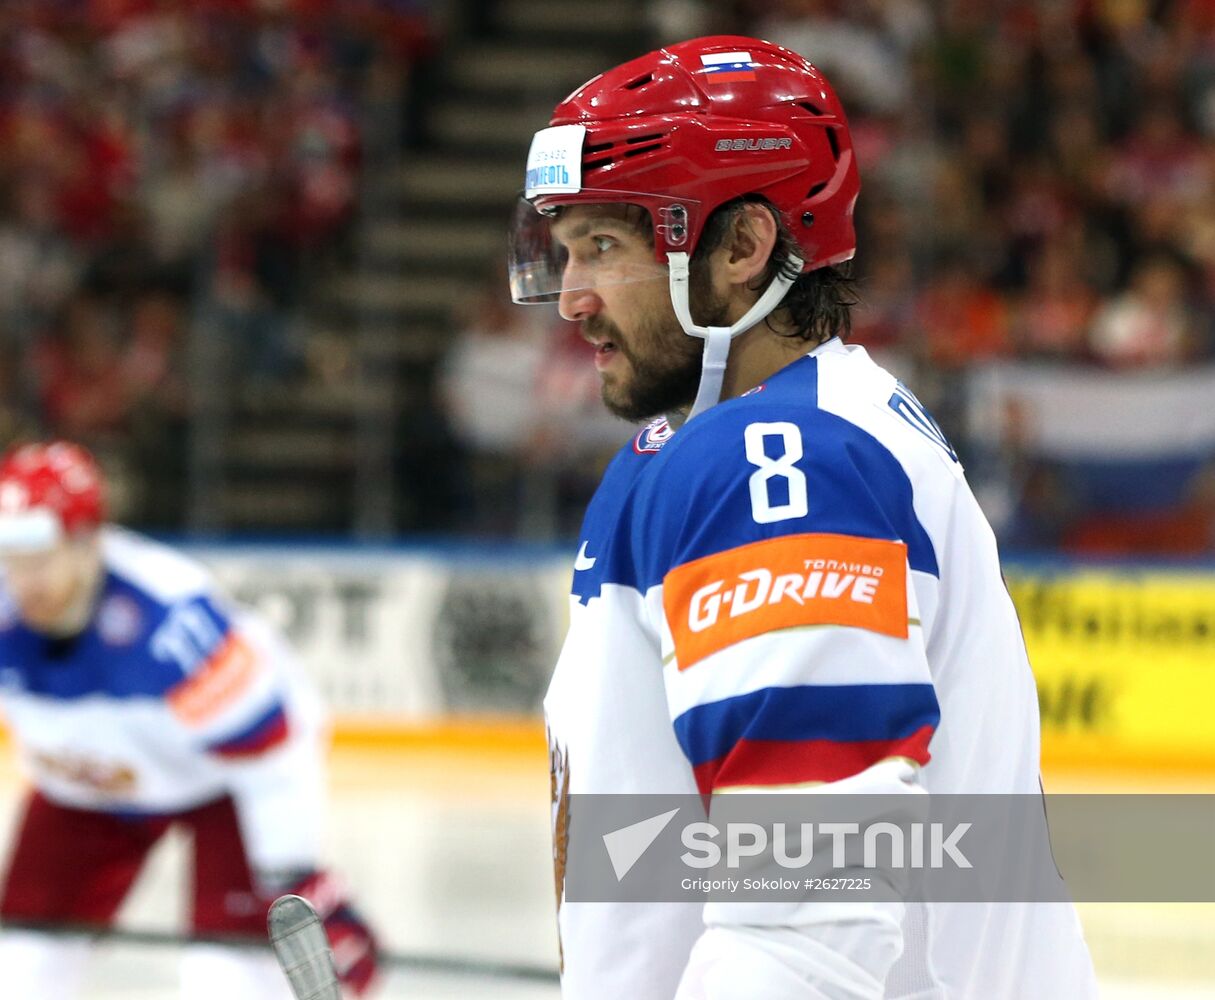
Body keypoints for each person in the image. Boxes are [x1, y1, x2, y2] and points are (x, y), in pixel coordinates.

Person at [508, 35, 1098, 999]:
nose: (569, 298)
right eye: (563, 250)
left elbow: (808, 920)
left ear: (742, 248)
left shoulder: (783, 466)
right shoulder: (724, 445)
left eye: (605, 248)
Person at [0, 441, 377, 999]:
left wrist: (292, 875)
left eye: (38, 556)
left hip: (222, 788)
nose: (20, 580)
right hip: (83, 788)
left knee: (227, 982)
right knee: (19, 969)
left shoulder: (172, 623)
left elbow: (268, 756)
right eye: (7, 554)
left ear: (87, 542)